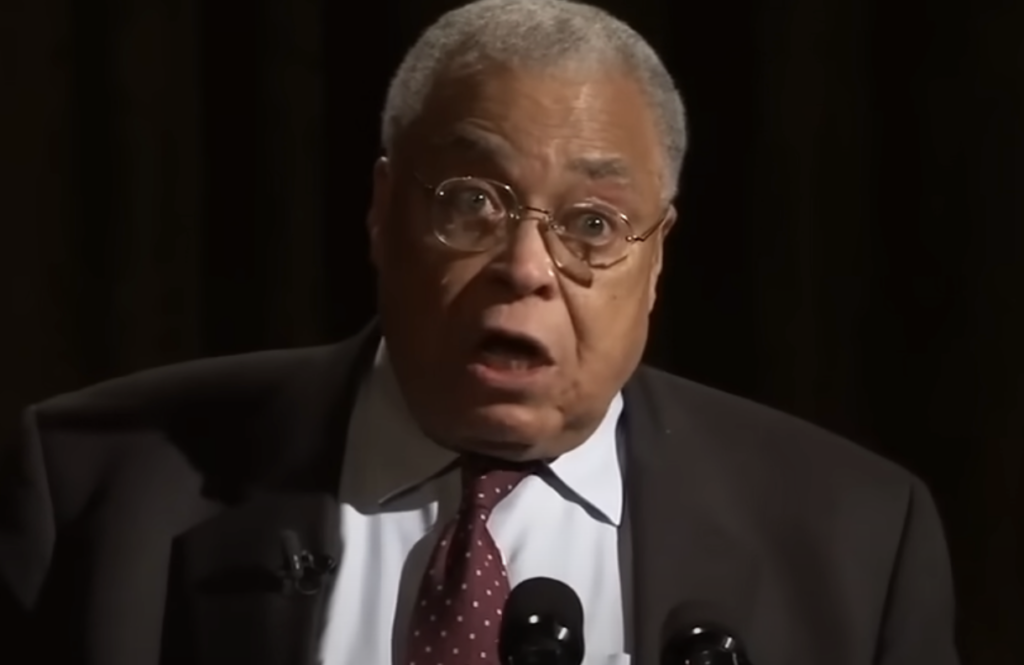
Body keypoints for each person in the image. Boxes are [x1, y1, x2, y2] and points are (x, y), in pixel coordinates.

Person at [0, 1, 959, 664]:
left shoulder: (856, 540)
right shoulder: (99, 483)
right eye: (472, 202)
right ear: (381, 210)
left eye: (592, 224)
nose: (526, 267)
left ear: (658, 257)